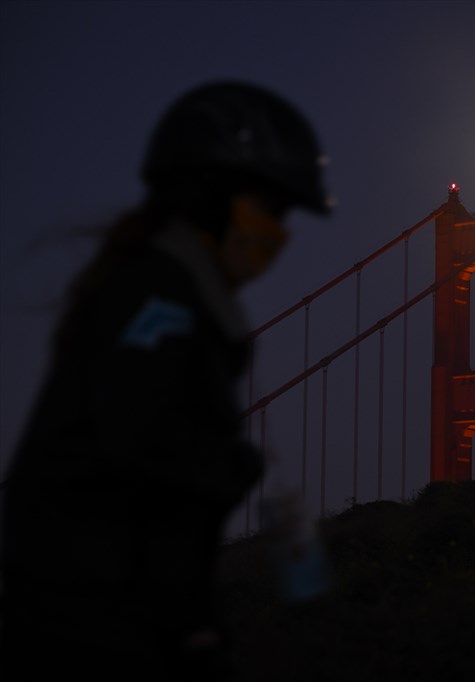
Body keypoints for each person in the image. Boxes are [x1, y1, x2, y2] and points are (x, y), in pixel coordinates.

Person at [0, 81, 332, 680]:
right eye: (271, 209)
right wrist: (227, 467)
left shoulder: (165, 294)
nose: (279, 235)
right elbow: (140, 459)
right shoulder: (158, 301)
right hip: (83, 636)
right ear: (210, 194)